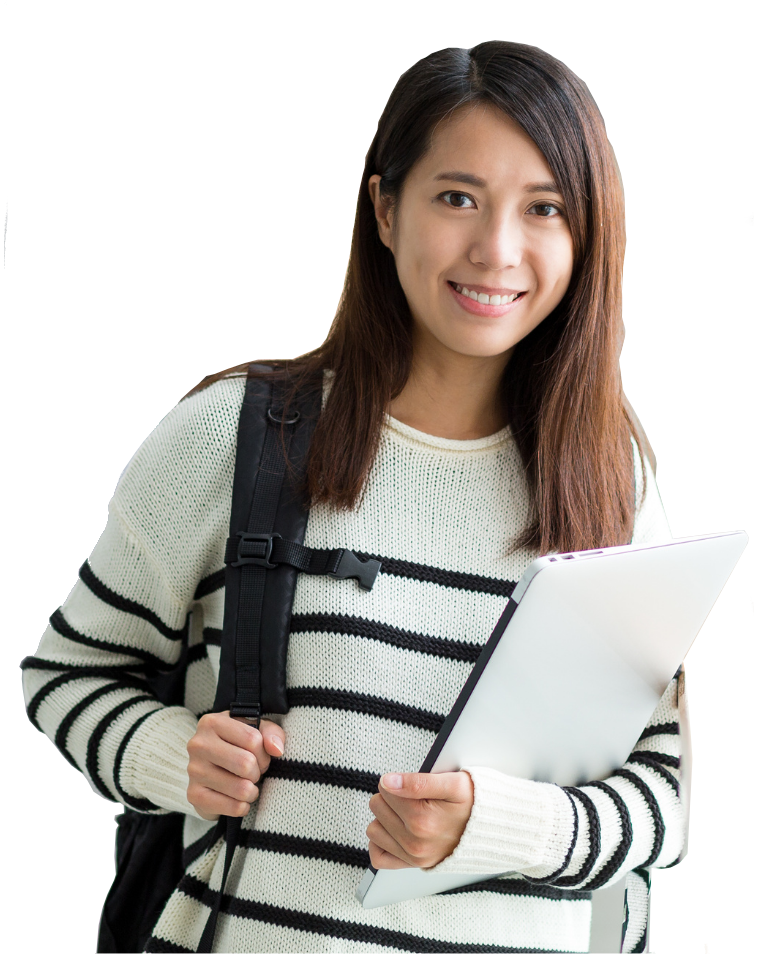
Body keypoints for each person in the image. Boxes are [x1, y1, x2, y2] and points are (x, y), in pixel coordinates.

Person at [20, 41, 686, 953]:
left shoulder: (615, 483)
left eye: (544, 209)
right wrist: (171, 757)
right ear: (383, 207)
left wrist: (495, 828)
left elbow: (660, 800)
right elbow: (67, 677)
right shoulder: (235, 436)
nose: (496, 250)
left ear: (587, 236)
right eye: (456, 197)